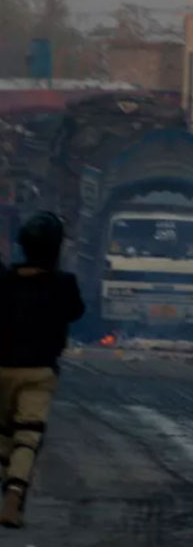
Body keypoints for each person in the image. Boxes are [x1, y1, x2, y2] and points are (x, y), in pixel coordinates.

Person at [0, 212, 85, 529]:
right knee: (28, 436)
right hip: (40, 372)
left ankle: (7, 483)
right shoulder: (63, 284)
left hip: (2, 368)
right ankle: (15, 490)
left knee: (4, 436)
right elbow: (76, 312)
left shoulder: (6, 280)